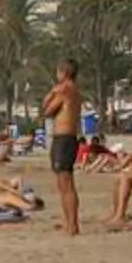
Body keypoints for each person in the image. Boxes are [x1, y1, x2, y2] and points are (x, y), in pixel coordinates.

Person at [42, 59, 83, 236]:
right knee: (64, 184)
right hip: (67, 138)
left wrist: (52, 92)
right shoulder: (74, 90)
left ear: (64, 73)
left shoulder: (65, 89)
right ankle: (70, 223)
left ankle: (72, 224)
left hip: (64, 138)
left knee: (66, 184)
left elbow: (48, 110)